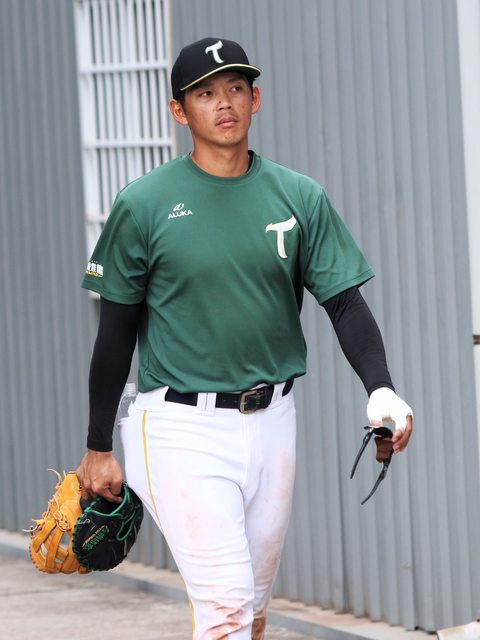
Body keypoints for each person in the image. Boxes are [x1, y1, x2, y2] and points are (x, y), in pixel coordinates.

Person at [76, 37, 413, 640]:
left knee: (252, 613)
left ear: (256, 99)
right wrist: (98, 445)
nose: (224, 102)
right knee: (226, 608)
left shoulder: (298, 195)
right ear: (179, 111)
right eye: (205, 93)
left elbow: (343, 301)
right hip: (179, 425)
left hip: (273, 419)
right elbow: (115, 333)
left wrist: (380, 387)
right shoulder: (144, 204)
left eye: (235, 88)